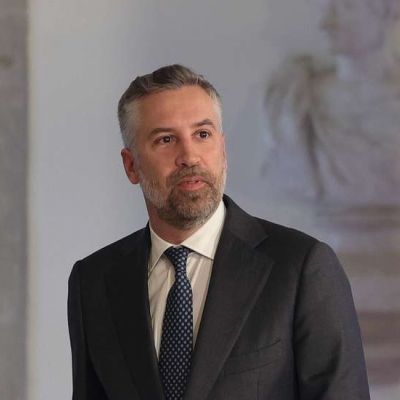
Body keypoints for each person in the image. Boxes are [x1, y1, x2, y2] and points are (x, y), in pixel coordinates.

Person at [68, 64, 370, 400]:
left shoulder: (301, 268)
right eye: (166, 139)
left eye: (202, 134)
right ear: (131, 165)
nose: (189, 157)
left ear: (223, 150)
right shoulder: (92, 282)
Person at [264, 0, 400, 206]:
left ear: (385, 14)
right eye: (323, 9)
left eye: (346, 7)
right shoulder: (294, 97)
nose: (326, 23)